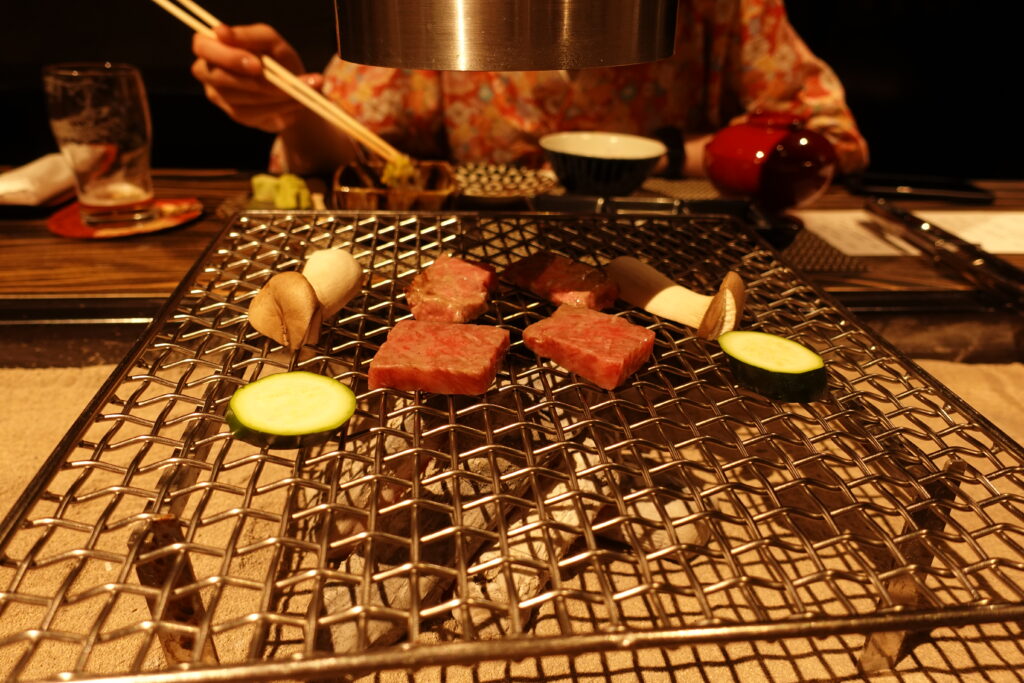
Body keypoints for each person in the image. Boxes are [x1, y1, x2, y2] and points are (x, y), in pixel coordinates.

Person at [190, 0, 869, 179]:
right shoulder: (443, 12)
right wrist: (285, 108)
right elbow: (338, 152)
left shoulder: (721, 8)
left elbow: (828, 139)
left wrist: (660, 155)